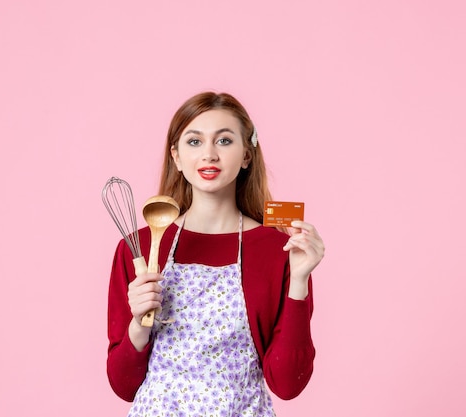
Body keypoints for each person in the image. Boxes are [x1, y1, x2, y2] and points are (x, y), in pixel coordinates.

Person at [107, 91, 325, 416]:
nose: (209, 154)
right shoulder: (139, 247)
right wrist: (139, 324)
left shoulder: (278, 249)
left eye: (224, 141)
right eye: (194, 142)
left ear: (247, 155)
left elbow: (288, 385)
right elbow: (123, 386)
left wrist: (300, 279)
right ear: (176, 157)